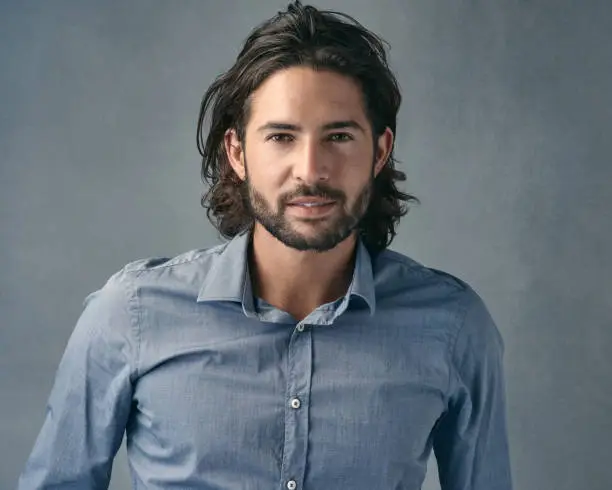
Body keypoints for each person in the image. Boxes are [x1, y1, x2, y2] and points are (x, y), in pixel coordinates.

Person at [18, 2, 513, 489]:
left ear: (379, 151)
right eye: (281, 136)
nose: (310, 170)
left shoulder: (453, 327)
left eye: (339, 136)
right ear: (237, 152)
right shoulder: (130, 314)